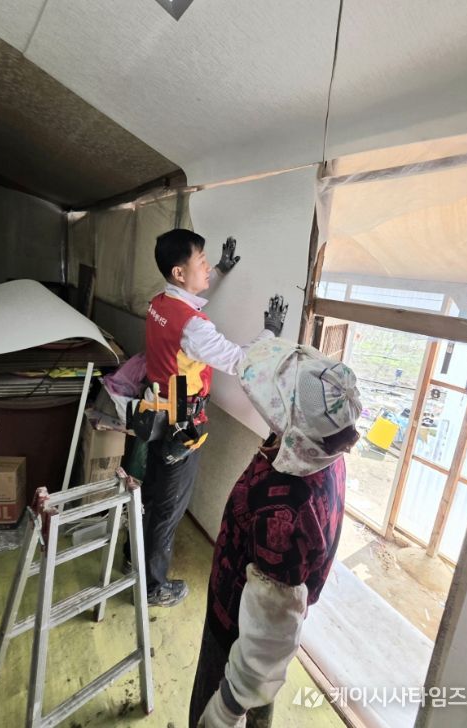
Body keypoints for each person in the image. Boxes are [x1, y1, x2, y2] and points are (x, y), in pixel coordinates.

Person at [189, 337, 362, 727]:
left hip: (237, 630)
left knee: (227, 698)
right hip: (243, 610)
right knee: (260, 698)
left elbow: (269, 634)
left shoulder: (286, 508)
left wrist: (226, 708)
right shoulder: (322, 447)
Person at [138, 229, 289, 608]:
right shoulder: (193, 327)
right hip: (179, 428)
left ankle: (132, 558)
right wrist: (270, 331)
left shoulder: (159, 303)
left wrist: (218, 270)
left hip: (156, 415)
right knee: (169, 507)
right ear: (178, 272)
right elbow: (239, 361)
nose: (207, 267)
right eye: (201, 262)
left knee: (152, 495)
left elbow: (188, 299)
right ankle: (152, 587)